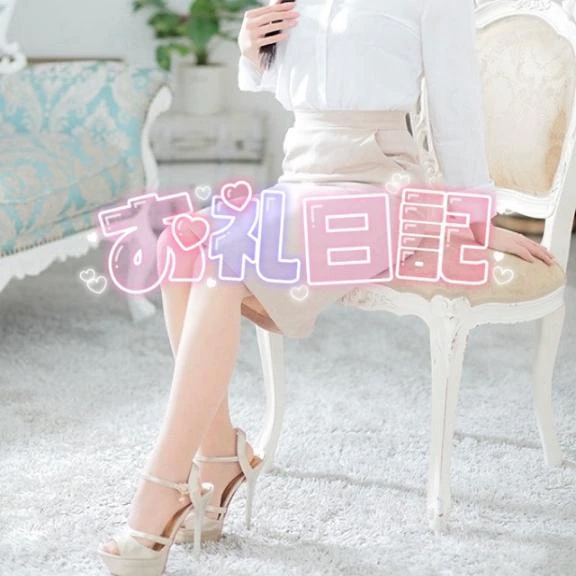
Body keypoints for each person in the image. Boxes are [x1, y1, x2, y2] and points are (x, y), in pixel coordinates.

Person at [98, 0, 555, 574]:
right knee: (180, 245)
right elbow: (292, 86)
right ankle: (218, 457)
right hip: (302, 177)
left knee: (223, 257)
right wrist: (251, 51)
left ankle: (162, 487)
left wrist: (474, 218)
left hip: (380, 186)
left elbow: (455, 103)